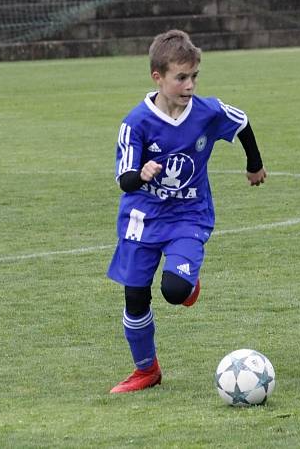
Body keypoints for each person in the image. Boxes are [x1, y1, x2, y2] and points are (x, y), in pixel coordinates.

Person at [107, 29, 267, 393]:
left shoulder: (207, 111)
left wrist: (254, 164)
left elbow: (242, 124)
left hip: (188, 215)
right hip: (142, 216)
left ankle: (187, 281)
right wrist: (140, 173)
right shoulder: (135, 122)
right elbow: (124, 178)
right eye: (181, 77)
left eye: (194, 76)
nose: (190, 85)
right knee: (135, 296)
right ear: (158, 77)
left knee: (175, 290)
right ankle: (146, 370)